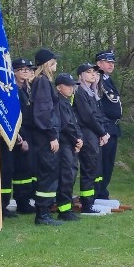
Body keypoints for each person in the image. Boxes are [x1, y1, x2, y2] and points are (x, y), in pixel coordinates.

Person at [30, 49, 62, 226]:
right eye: (54, 61)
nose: (56, 65)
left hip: (45, 134)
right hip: (45, 136)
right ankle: (42, 213)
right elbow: (44, 112)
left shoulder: (42, 82)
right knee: (47, 173)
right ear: (47, 63)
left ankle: (44, 210)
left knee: (49, 172)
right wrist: (52, 135)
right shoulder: (42, 82)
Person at [73, 63, 110, 215]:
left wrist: (103, 132)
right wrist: (102, 132)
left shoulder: (91, 92)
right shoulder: (80, 92)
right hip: (86, 133)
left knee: (95, 168)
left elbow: (98, 115)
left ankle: (92, 199)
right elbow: (88, 117)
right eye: (89, 72)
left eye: (94, 72)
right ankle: (87, 205)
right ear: (81, 75)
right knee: (89, 168)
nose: (93, 75)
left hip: (94, 133)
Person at [53, 73, 83, 221]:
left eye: (73, 85)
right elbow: (66, 125)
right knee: (66, 176)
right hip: (65, 144)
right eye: (68, 85)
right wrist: (76, 140)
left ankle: (67, 208)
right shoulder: (59, 102)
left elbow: (75, 123)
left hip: (71, 144)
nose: (71, 88)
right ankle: (64, 211)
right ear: (59, 87)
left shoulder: (67, 102)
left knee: (70, 175)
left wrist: (80, 139)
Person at [95, 50, 122, 201]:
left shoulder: (107, 79)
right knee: (103, 161)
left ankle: (103, 191)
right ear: (99, 63)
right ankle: (99, 192)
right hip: (105, 126)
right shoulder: (98, 79)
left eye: (112, 62)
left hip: (113, 126)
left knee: (109, 162)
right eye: (108, 62)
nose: (111, 65)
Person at [11, 58, 36, 214]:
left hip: (29, 132)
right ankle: (21, 201)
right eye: (22, 69)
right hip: (18, 134)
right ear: (14, 72)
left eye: (28, 69)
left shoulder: (27, 89)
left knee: (27, 170)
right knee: (20, 171)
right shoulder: (12, 90)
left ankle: (25, 200)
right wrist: (20, 136)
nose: (26, 71)